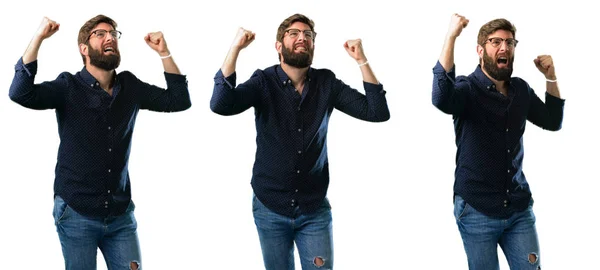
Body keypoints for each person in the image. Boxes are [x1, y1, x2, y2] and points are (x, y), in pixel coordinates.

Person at [9, 15, 191, 269]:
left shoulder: (131, 87)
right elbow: (20, 92)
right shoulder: (68, 86)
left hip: (120, 214)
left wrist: (164, 52)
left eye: (114, 34)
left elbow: (179, 100)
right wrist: (38, 37)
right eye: (100, 33)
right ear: (84, 49)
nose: (110, 38)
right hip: (76, 211)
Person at [211, 13, 390, 270]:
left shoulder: (326, 83)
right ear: (278, 45)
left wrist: (362, 60)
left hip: (313, 208)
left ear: (313, 45)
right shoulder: (263, 81)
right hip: (269, 206)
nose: (302, 38)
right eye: (293, 34)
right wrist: (235, 49)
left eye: (308, 35)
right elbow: (221, 104)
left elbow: (377, 112)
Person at [432, 14, 565, 270]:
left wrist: (551, 76)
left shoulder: (520, 90)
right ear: (481, 50)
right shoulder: (467, 88)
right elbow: (441, 98)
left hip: (518, 209)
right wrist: (451, 37)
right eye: (496, 42)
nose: (504, 47)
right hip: (476, 209)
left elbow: (552, 120)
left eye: (510, 42)